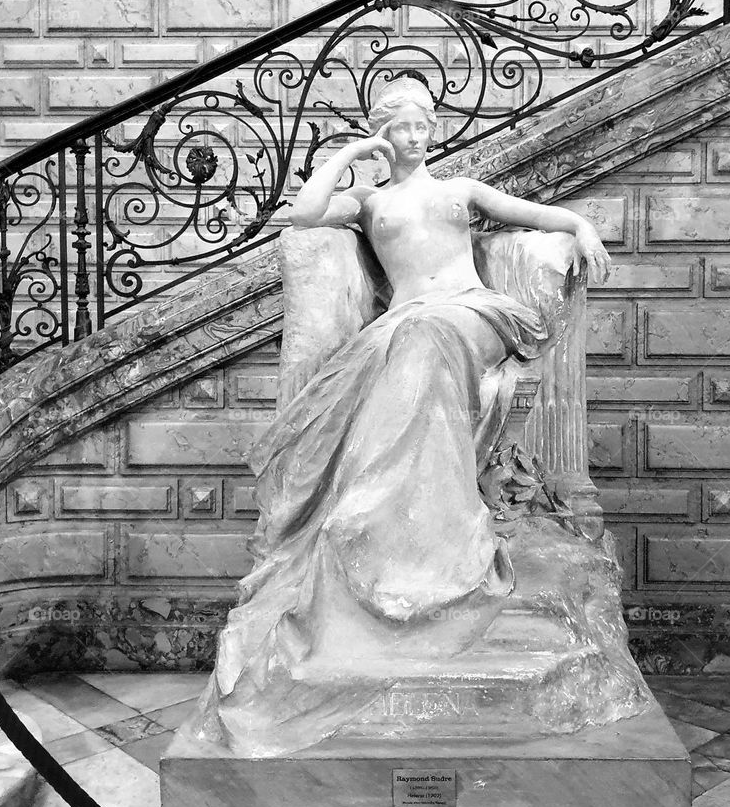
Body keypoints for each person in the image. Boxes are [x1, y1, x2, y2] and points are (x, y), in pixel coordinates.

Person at [185, 75, 612, 754]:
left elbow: (537, 215)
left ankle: (427, 531)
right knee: (397, 345)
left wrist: (581, 226)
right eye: (400, 128)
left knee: (420, 335)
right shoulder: (367, 199)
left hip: (471, 316)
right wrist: (354, 150)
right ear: (383, 131)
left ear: (433, 129)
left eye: (421, 126)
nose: (413, 138)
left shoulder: (458, 192)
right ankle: (376, 517)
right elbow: (302, 213)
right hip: (406, 326)